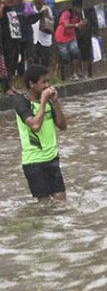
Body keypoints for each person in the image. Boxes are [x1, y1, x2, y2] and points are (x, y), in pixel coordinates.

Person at [12, 65, 68, 201]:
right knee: (45, 206)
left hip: (52, 158)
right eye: (43, 82)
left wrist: (55, 102)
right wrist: (43, 101)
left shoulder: (49, 102)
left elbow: (63, 126)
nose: (47, 85)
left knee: (62, 201)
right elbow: (35, 125)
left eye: (48, 82)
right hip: (34, 163)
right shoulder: (22, 102)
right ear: (31, 84)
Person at [54, 0, 85, 81]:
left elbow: (79, 27)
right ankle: (66, 75)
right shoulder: (66, 13)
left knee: (75, 52)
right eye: (77, 7)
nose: (78, 9)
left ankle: (76, 72)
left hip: (71, 36)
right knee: (65, 56)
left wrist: (82, 24)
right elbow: (66, 25)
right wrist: (77, 24)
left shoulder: (78, 15)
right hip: (61, 37)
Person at [1, 0, 23, 95]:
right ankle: (6, 87)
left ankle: (12, 84)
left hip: (16, 38)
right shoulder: (3, 8)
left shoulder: (13, 8)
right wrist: (2, 5)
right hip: (6, 40)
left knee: (15, 62)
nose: (10, 1)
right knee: (8, 63)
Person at [75, 0, 99, 78]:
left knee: (87, 53)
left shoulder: (89, 7)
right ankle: (79, 71)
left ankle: (87, 72)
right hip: (77, 34)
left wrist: (94, 32)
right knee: (78, 53)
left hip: (87, 34)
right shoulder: (74, 10)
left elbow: (94, 20)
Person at [32, 0, 53, 67]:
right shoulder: (32, 10)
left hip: (44, 38)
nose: (38, 5)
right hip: (35, 37)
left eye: (40, 2)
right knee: (35, 58)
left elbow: (50, 21)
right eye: (36, 2)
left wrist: (43, 14)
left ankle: (45, 75)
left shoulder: (47, 9)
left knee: (45, 59)